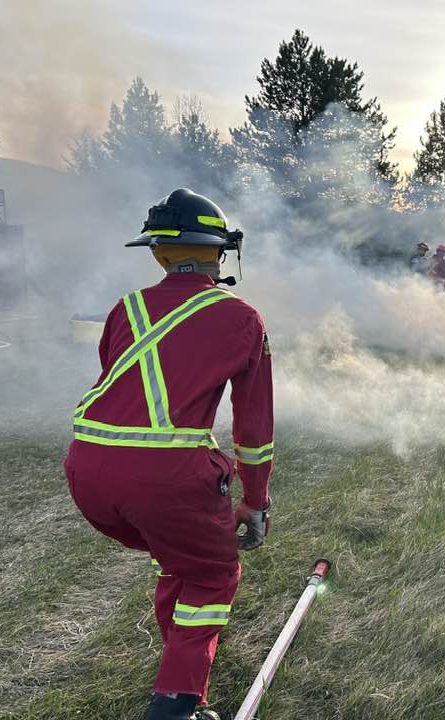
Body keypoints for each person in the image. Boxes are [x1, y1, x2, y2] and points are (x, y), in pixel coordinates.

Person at [63, 189, 274, 720]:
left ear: (157, 252)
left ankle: (178, 671)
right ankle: (176, 705)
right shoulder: (240, 316)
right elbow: (253, 427)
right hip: (167, 478)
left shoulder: (125, 307)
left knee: (177, 556)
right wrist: (255, 499)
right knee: (210, 575)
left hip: (87, 470)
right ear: (219, 253)